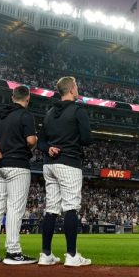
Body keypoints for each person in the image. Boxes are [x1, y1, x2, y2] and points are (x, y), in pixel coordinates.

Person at [39, 76, 93, 267]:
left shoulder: (50, 112)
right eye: (76, 86)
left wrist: (49, 149)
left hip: (49, 163)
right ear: (71, 89)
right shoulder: (78, 111)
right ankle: (71, 255)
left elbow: (41, 141)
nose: (78, 88)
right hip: (69, 162)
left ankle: (45, 254)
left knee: (51, 208)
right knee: (71, 206)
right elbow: (86, 139)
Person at [0, 85, 37, 265]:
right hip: (17, 164)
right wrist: (34, 141)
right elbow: (30, 140)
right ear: (27, 99)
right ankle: (13, 252)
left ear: (12, 97)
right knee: (15, 208)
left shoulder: (1, 116)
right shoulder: (26, 115)